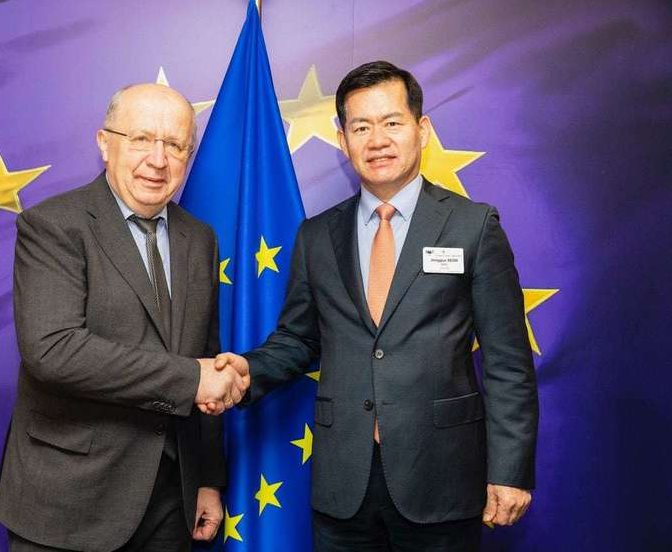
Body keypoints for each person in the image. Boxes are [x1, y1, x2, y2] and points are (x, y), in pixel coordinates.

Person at [215, 61, 538, 551]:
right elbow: (299, 339)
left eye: (391, 122)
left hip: (442, 477)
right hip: (343, 483)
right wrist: (248, 370)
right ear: (342, 139)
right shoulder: (316, 236)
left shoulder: (473, 226)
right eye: (361, 127)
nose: (377, 140)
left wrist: (510, 471)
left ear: (421, 130)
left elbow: (508, 361)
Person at [0, 83, 248, 552]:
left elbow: (206, 359)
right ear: (104, 143)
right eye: (141, 139)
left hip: (170, 500)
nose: (158, 160)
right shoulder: (54, 225)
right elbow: (53, 351)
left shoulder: (200, 239)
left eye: (175, 145)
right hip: (68, 501)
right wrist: (190, 379)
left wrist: (208, 478)